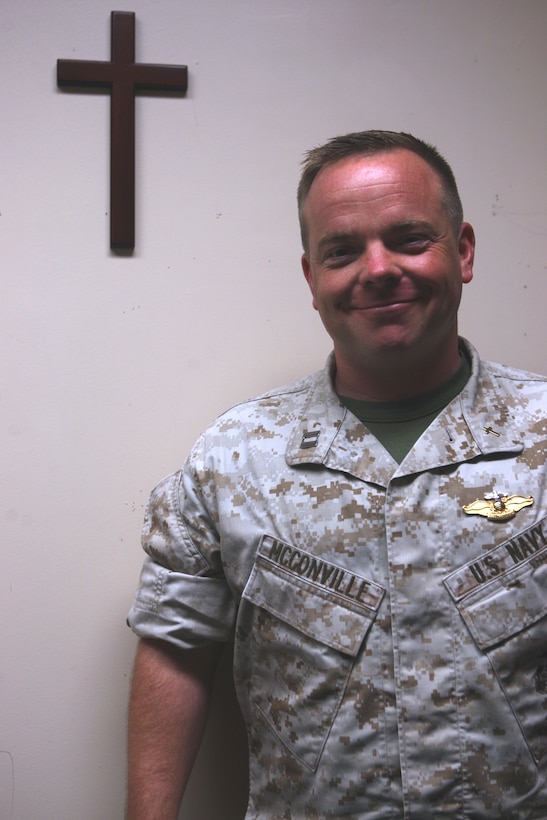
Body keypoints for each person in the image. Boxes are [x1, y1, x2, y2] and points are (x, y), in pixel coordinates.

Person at [126, 130, 547, 819]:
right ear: (311, 278)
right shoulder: (236, 459)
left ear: (462, 250)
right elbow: (175, 649)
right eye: (342, 250)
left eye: (409, 238)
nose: (377, 269)